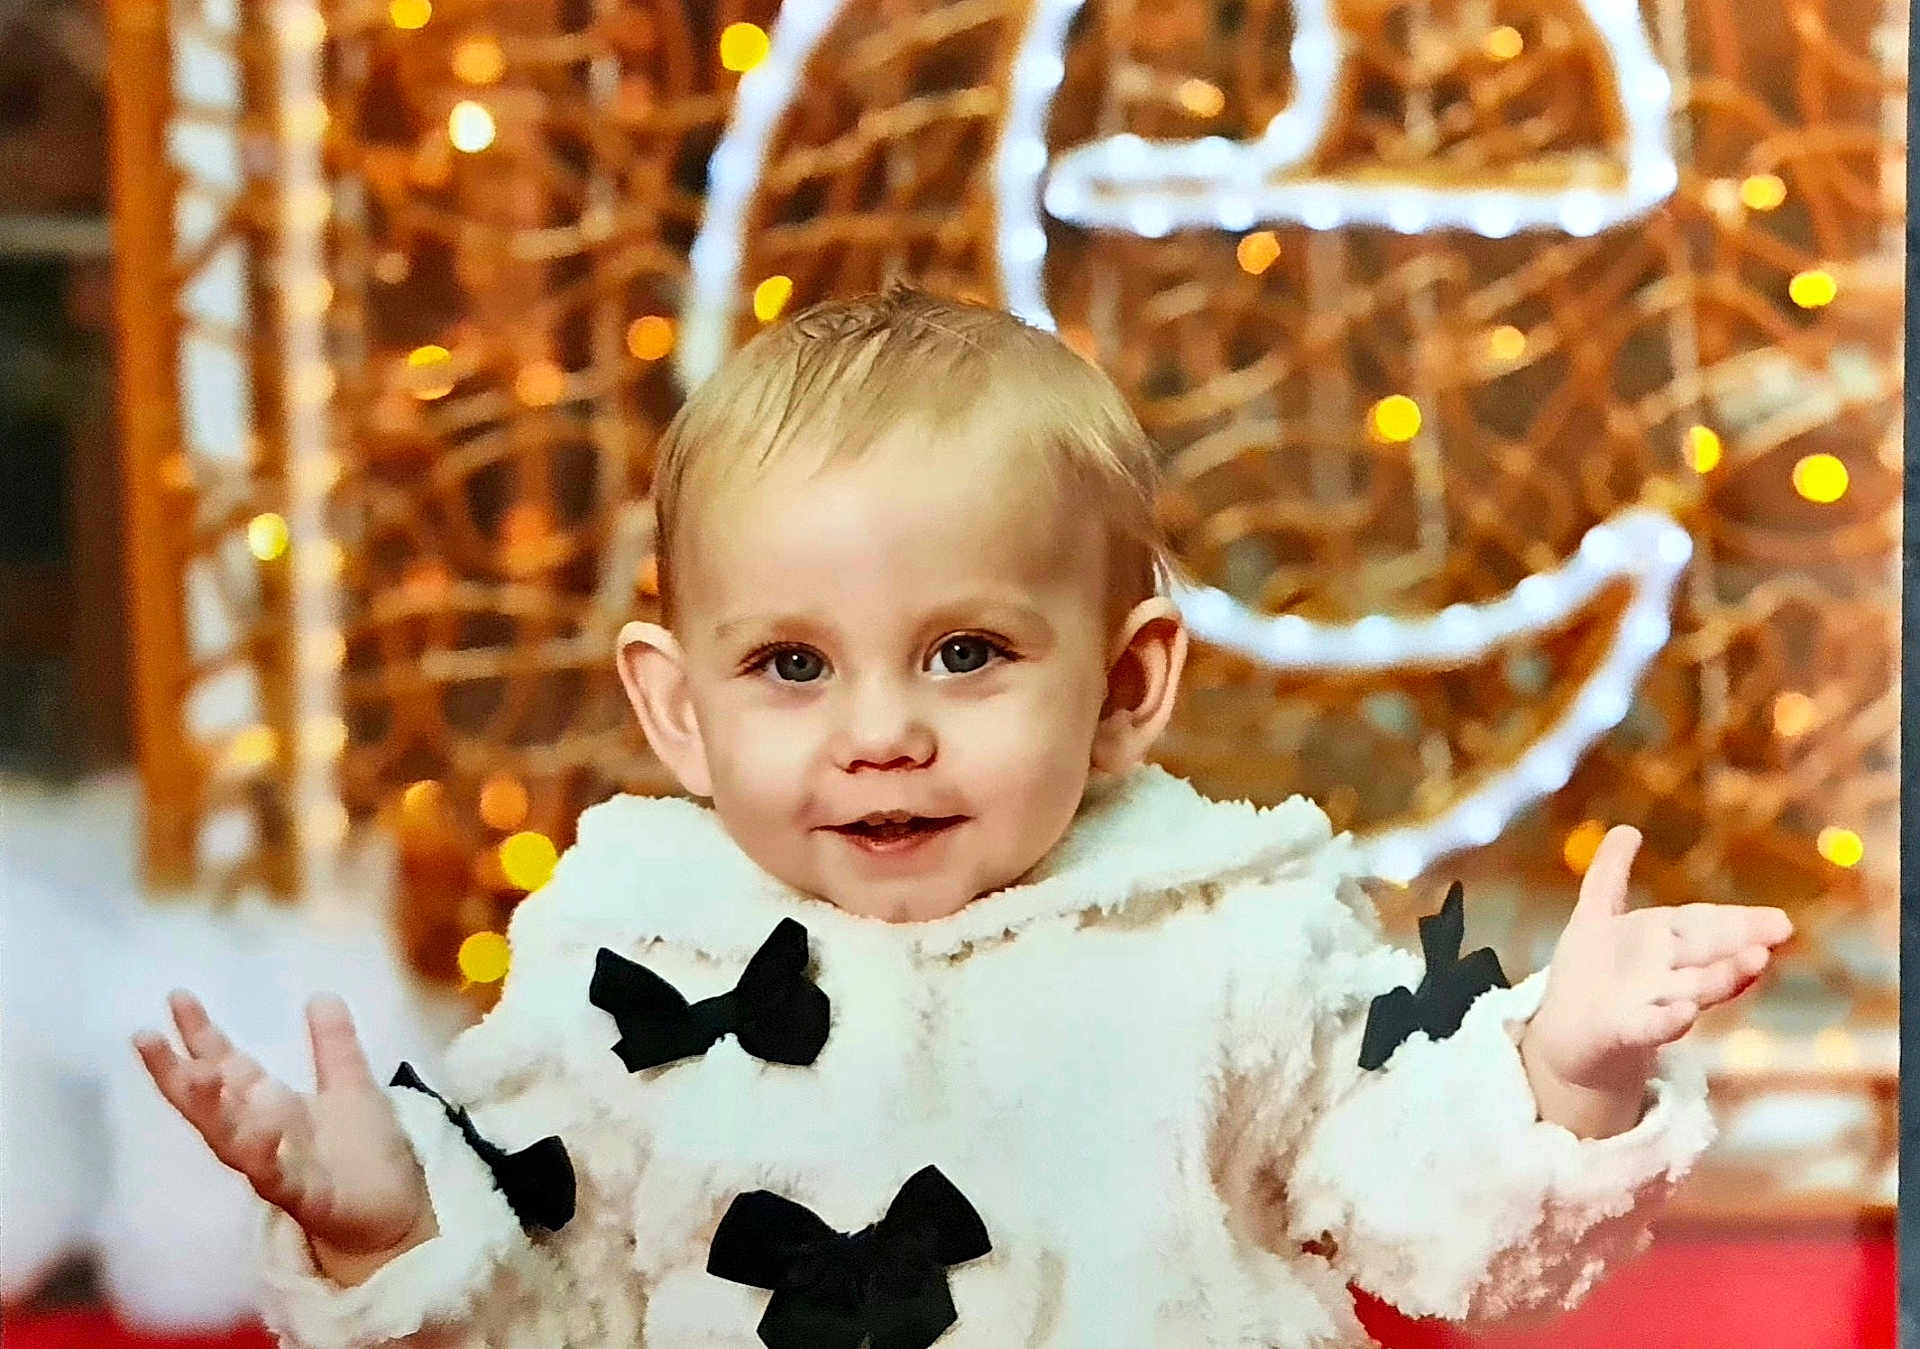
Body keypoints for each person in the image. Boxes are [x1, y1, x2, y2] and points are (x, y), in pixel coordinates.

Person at [134, 288, 1791, 1347]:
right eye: (791, 662)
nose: (880, 732)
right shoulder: (622, 960)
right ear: (674, 709)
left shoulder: (1231, 937)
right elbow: (537, 1321)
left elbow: (1445, 1224)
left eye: (967, 652)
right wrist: (396, 1228)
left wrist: (1566, 1074)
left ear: (1127, 684)